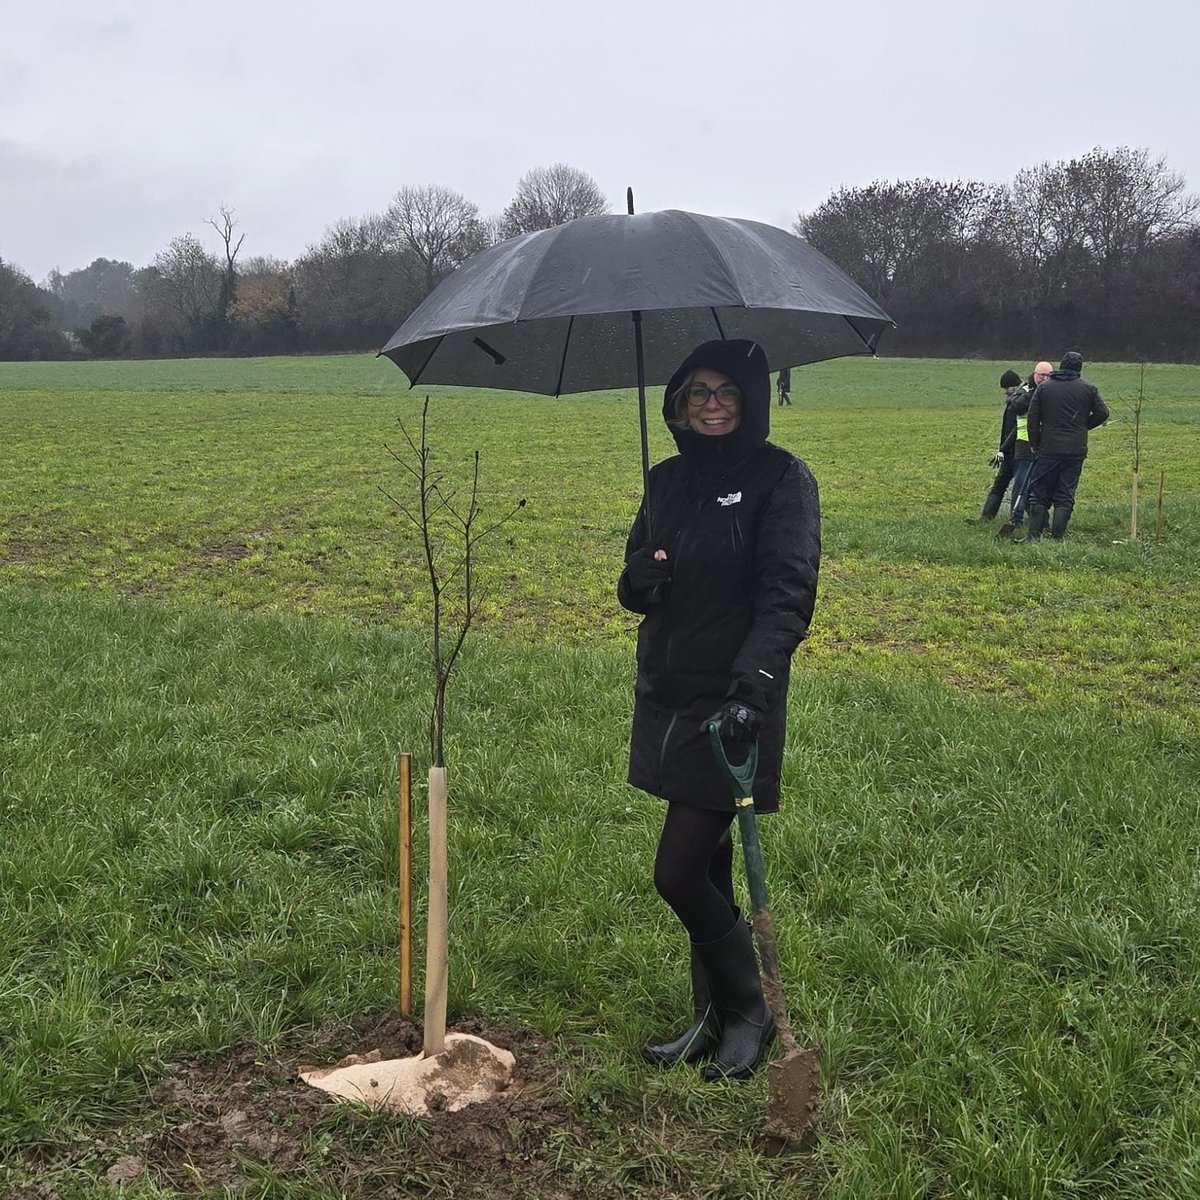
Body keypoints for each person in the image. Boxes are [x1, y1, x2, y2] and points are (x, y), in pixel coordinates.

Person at [617, 339, 820, 1081]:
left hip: (732, 699)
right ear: (676, 401)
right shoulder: (666, 479)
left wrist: (753, 688)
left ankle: (752, 1010)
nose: (710, 403)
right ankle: (712, 1016)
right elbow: (638, 579)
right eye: (697, 390)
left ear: (751, 400)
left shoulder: (780, 478)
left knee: (675, 872)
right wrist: (637, 582)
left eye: (726, 391)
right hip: (667, 692)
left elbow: (786, 591)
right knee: (710, 865)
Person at [1023, 351, 1109, 540]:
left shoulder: (1044, 389)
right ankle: (1057, 537)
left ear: (1061, 366)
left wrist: (1035, 443)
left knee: (1039, 493)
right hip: (1075, 450)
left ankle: (1034, 537)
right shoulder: (1089, 389)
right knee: (1065, 493)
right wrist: (1084, 426)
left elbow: (1032, 418)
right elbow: (1103, 412)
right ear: (1079, 368)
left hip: (1048, 448)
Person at [998, 361, 1052, 538]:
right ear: (1034, 374)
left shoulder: (1054, 391)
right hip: (1025, 447)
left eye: (1047, 375)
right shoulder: (1026, 392)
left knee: (1039, 488)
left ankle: (1043, 522)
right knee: (1021, 486)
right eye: (1041, 375)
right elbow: (1015, 406)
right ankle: (1016, 519)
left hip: (1045, 448)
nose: (1044, 378)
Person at [974, 370, 1025, 521]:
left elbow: (1016, 429)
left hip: (1018, 451)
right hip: (1009, 451)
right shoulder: (1015, 400)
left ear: (1013, 386)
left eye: (1006, 389)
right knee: (1000, 484)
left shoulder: (1021, 401)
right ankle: (985, 518)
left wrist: (1003, 449)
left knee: (1020, 488)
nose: (1005, 392)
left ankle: (1017, 520)